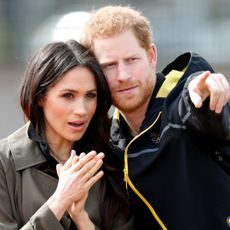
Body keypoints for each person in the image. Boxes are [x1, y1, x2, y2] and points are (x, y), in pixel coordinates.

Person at [80, 5, 230, 230]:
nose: (124, 76)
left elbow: (192, 104)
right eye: (109, 65)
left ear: (151, 56)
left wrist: (203, 91)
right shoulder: (109, 141)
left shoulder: (182, 102)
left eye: (132, 59)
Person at [0, 40, 134, 230]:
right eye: (68, 95)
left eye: (90, 95)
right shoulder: (4, 162)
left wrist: (82, 219)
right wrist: (60, 200)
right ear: (40, 97)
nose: (82, 110)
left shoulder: (111, 159)